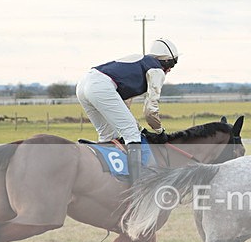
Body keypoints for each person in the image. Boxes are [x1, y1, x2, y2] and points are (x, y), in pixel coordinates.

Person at [76, 38, 179, 183]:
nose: (170, 70)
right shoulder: (156, 70)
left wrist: (141, 128)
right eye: (172, 65)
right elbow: (150, 110)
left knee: (107, 135)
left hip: (84, 83)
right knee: (132, 134)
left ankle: (106, 180)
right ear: (167, 62)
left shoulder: (139, 65)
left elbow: (123, 107)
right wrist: (159, 131)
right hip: (100, 85)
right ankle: (137, 186)